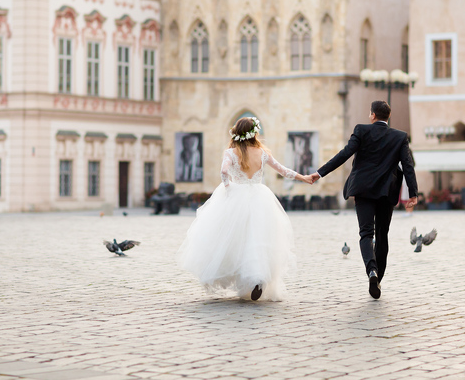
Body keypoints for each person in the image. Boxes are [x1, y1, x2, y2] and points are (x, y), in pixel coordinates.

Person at [177, 117, 314, 301]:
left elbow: (224, 171)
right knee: (258, 239)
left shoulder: (231, 153)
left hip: (236, 196)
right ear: (254, 133)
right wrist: (303, 177)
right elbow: (283, 170)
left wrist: (227, 186)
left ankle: (243, 275)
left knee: (233, 240)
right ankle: (258, 278)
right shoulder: (262, 153)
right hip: (260, 197)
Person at [311, 101, 417, 300]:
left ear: (372, 115)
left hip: (363, 189)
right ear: (388, 116)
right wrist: (413, 193)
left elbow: (344, 154)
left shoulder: (361, 130)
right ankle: (379, 279)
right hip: (387, 192)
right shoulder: (400, 137)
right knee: (383, 235)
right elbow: (408, 165)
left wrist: (320, 173)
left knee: (366, 234)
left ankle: (371, 271)